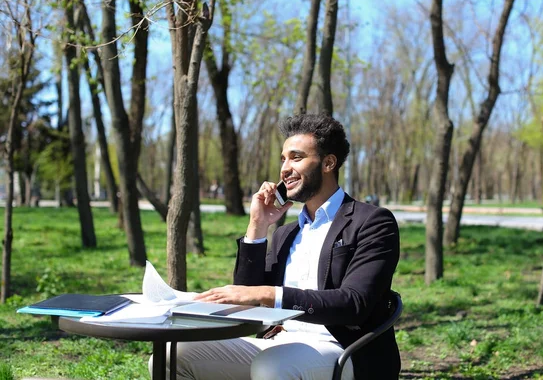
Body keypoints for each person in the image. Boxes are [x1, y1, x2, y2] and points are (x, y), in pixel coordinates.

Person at [151, 114, 400, 379]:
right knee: (170, 356)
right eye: (283, 159)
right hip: (278, 342)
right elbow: (247, 297)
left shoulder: (371, 222)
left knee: (273, 366)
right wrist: (258, 225)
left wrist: (271, 294)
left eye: (296, 157)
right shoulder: (286, 233)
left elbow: (354, 303)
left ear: (328, 163)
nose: (284, 168)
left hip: (343, 349)